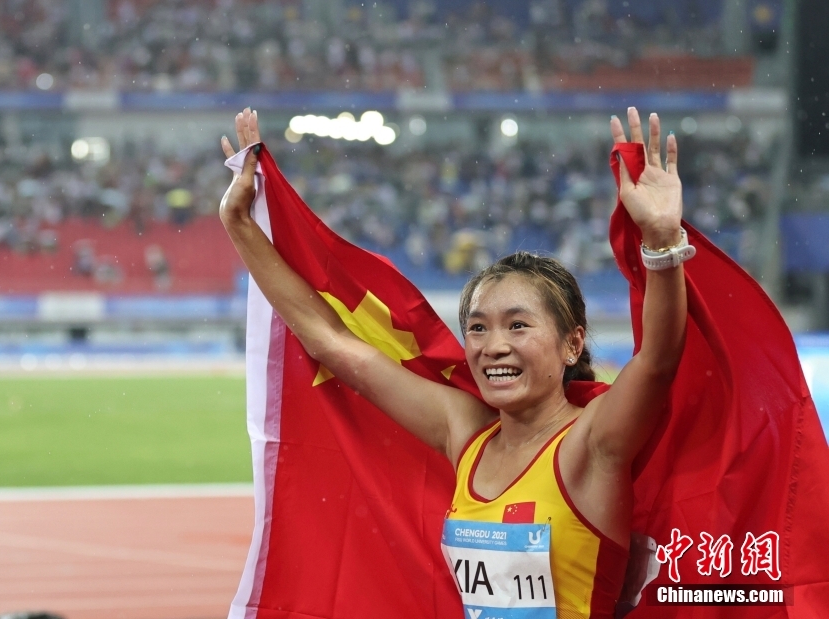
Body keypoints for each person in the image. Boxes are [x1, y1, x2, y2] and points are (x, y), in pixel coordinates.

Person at [219, 106, 687, 619]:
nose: (493, 346)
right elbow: (332, 343)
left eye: (518, 325)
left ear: (572, 344)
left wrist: (662, 241)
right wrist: (239, 225)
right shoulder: (466, 433)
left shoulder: (592, 444)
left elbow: (659, 360)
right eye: (478, 327)